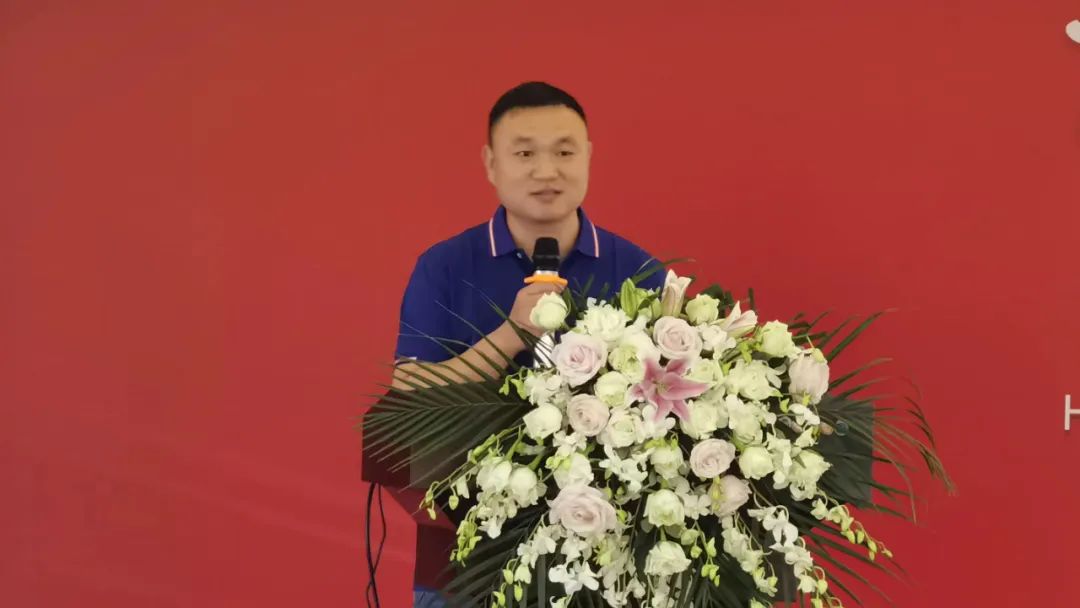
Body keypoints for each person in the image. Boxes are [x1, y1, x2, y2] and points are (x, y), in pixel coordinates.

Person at [392, 81, 664, 607]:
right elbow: (409, 390)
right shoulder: (444, 266)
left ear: (588, 157)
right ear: (491, 164)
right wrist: (510, 334)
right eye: (524, 154)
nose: (546, 171)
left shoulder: (638, 270)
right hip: (467, 555)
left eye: (564, 152)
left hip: (609, 556)